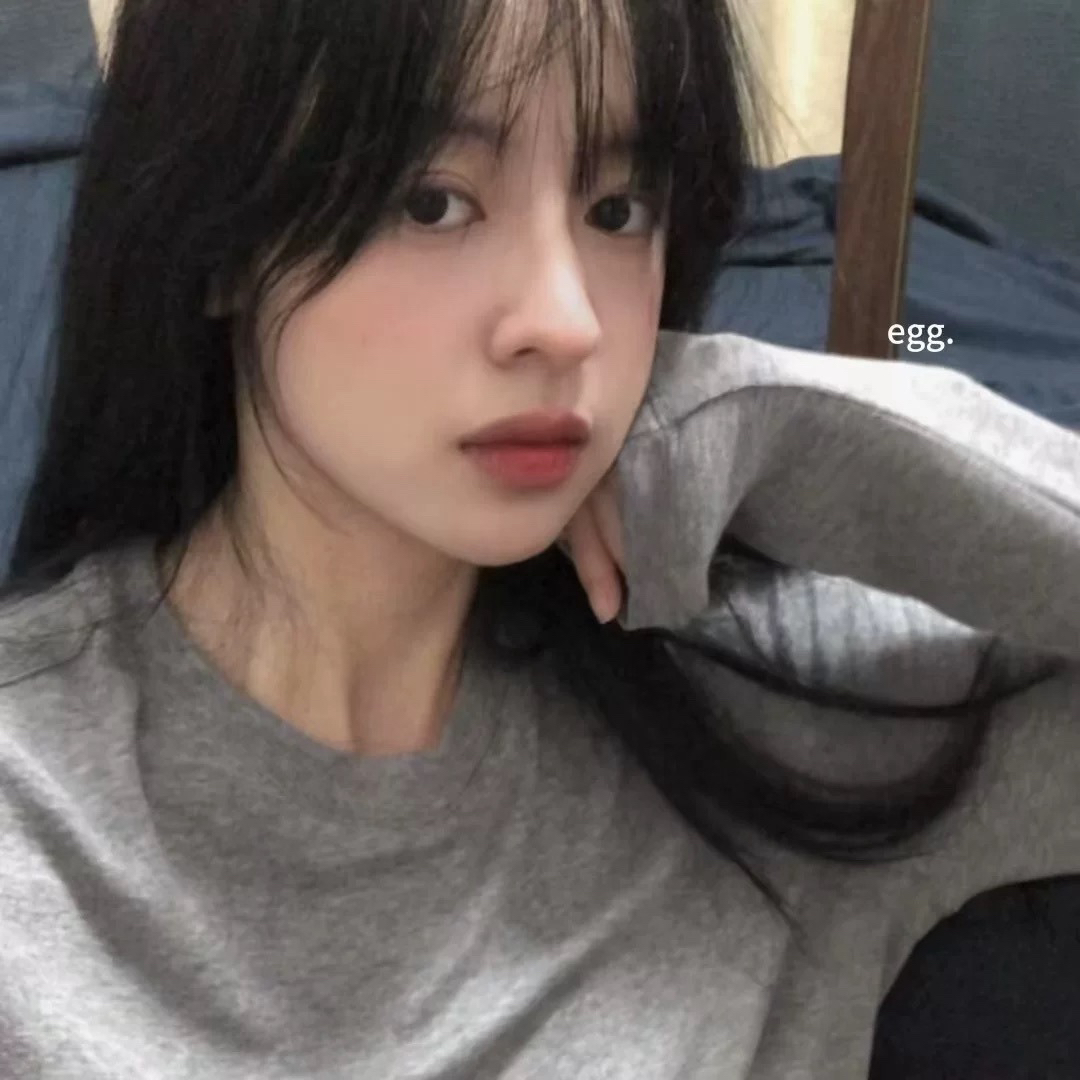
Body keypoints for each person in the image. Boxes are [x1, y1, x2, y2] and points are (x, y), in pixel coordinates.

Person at [1, 1, 1078, 1078]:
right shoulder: (34, 828)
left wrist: (771, 423)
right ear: (222, 239)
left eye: (617, 210)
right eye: (433, 201)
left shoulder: (783, 723)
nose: (568, 323)